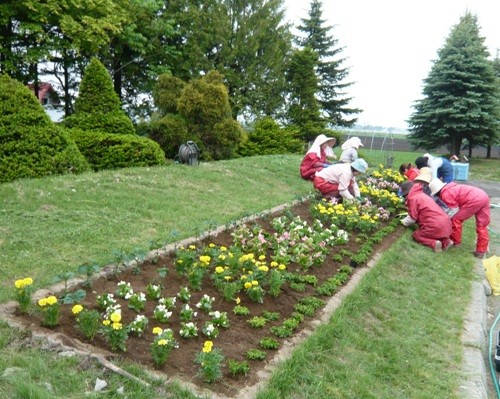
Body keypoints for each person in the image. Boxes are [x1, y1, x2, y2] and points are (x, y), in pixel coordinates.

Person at [429, 179, 490, 259]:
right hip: (483, 196)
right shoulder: (451, 188)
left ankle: (455, 242)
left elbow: (454, 210)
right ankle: (481, 251)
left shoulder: (445, 193)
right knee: (482, 226)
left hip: (474, 200)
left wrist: (445, 218)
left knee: (455, 219)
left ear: (437, 192)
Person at [400, 180, 453, 252]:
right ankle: (446, 242)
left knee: (417, 235)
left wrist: (403, 222)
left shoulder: (413, 198)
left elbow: (412, 218)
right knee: (437, 233)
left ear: (407, 193)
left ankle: (434, 244)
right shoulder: (422, 194)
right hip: (446, 223)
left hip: (435, 225)